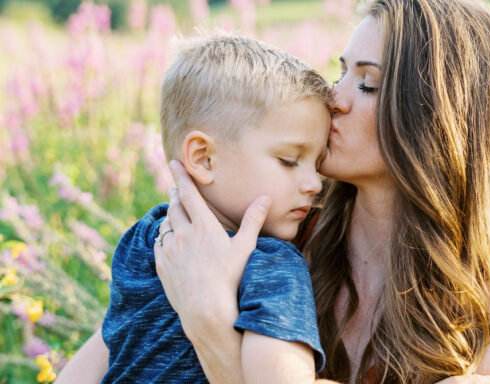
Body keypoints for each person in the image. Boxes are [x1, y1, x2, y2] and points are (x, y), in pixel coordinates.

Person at [60, 0, 490, 382]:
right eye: (340, 72)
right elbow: (113, 345)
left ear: (443, 119)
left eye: (366, 83)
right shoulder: (279, 227)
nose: (333, 99)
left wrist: (211, 328)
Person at [57, 34, 333, 383]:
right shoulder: (271, 264)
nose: (315, 183)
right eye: (290, 161)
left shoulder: (145, 238)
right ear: (203, 158)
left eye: (318, 163)